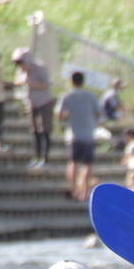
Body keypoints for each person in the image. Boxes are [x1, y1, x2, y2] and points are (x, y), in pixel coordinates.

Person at [57, 70, 102, 202]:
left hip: (73, 135)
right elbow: (98, 113)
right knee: (88, 164)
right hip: (88, 134)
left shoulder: (66, 96)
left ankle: (74, 190)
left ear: (72, 81)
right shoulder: (91, 96)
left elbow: (59, 115)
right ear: (83, 81)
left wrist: (68, 115)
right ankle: (84, 192)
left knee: (72, 163)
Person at [12, 48, 54, 168]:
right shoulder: (20, 71)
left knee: (45, 130)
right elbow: (18, 83)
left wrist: (32, 84)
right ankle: (36, 157)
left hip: (43, 102)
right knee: (34, 131)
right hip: (31, 103)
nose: (20, 66)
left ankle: (45, 158)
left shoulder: (39, 67)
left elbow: (46, 85)